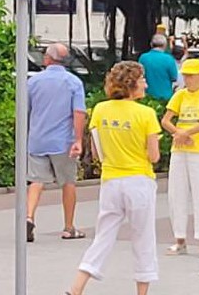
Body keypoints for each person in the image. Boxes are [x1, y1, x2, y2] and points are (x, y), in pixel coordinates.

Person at [67, 61, 160, 295]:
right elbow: (154, 155)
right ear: (132, 85)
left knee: (103, 236)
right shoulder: (147, 114)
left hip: (110, 180)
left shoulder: (100, 109)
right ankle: (142, 292)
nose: (145, 83)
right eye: (142, 79)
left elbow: (97, 152)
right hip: (139, 180)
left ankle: (76, 287)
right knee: (143, 238)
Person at [161, 58, 199, 254]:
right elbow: (166, 120)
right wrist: (177, 132)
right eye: (185, 75)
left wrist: (188, 132)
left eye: (191, 75)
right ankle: (179, 239)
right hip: (179, 149)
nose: (187, 79)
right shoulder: (180, 95)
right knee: (176, 194)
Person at [26, 42, 87, 242]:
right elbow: (79, 112)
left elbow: (24, 111)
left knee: (36, 181)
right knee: (68, 182)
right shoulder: (74, 82)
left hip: (37, 140)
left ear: (47, 59)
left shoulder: (33, 82)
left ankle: (29, 217)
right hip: (63, 141)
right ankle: (69, 227)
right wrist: (78, 139)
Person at [137, 33, 178, 100]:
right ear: (165, 45)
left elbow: (139, 75)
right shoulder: (169, 59)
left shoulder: (143, 58)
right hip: (165, 97)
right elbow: (174, 78)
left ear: (151, 44)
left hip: (147, 96)